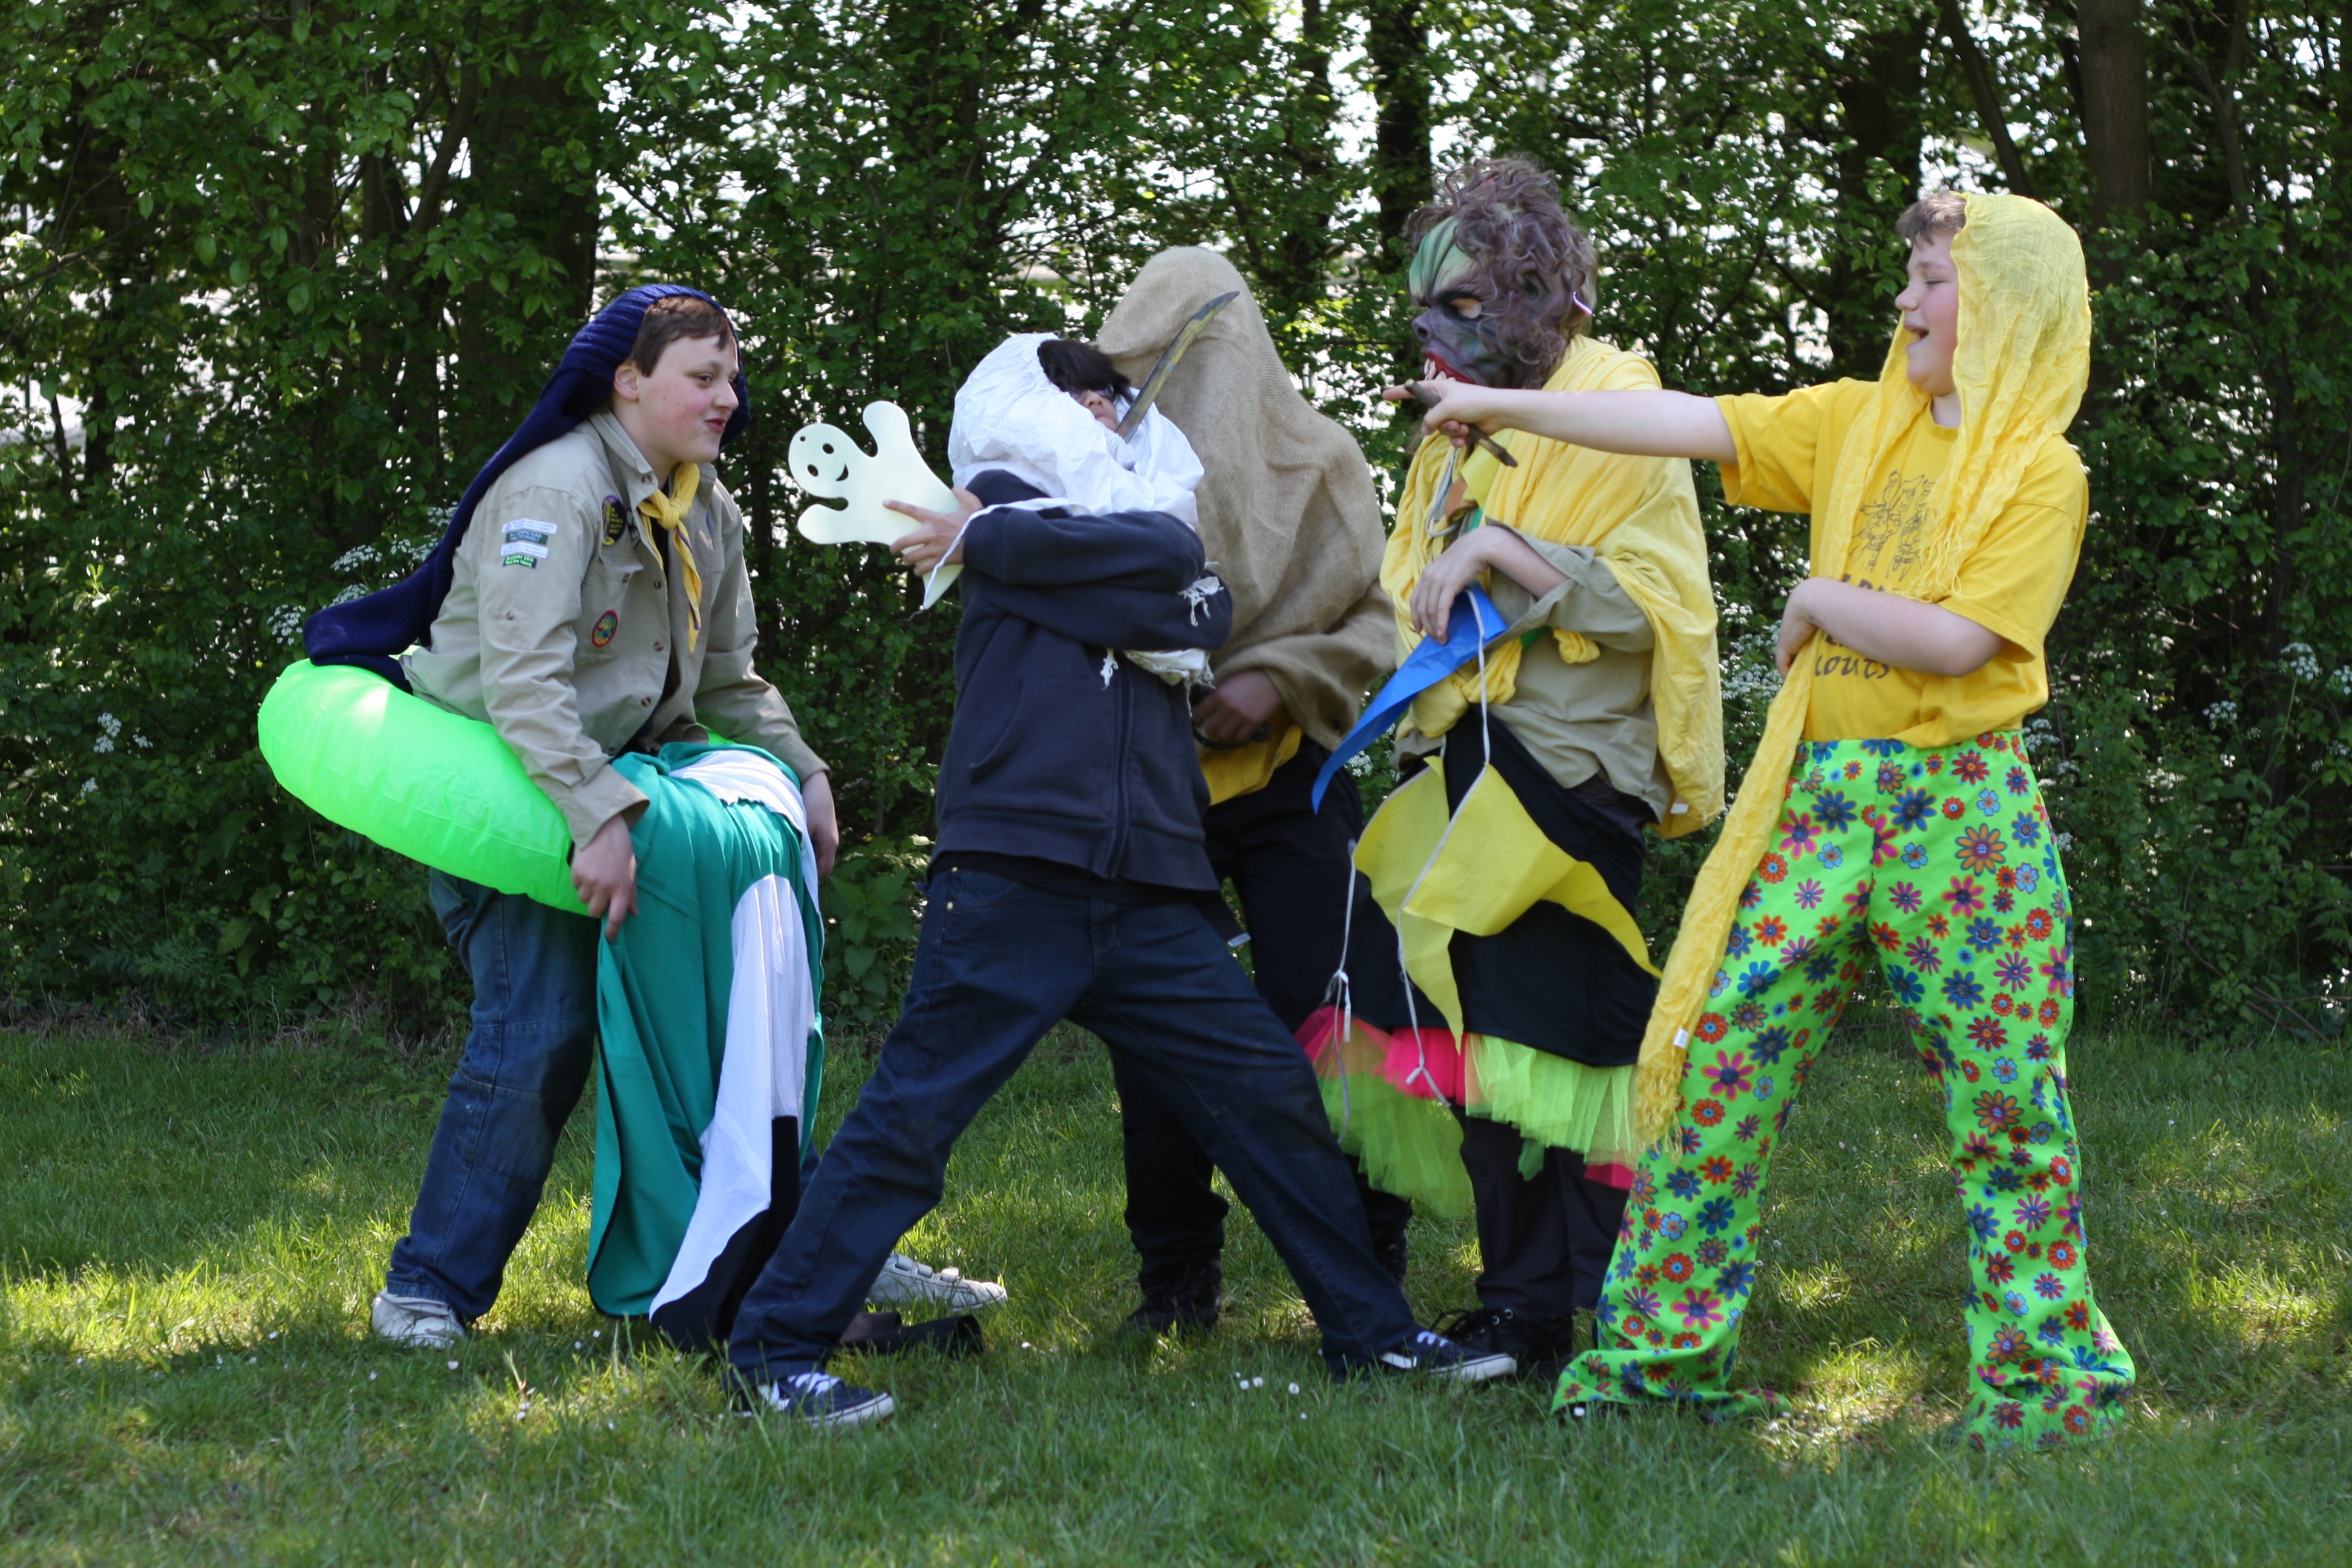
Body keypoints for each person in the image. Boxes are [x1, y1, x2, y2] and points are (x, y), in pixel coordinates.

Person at [1412, 191, 2137, 1448]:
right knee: (1716, 1072)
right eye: (1912, 277)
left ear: (2006, 307)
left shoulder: (2042, 469)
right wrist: (1504, 407)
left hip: (1964, 815)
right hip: (1825, 802)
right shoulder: (1856, 424)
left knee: (2010, 1104)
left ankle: (2046, 1379)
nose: (1906, 300)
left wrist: (1822, 601)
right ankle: (1658, 1361)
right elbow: (1682, 423)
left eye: (1933, 280)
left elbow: (1963, 642)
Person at [723, 333, 1507, 1427]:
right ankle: (773, 1350)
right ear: (1049, 408)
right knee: (912, 1122)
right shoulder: (1003, 495)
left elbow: (1203, 603)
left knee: (1268, 1098)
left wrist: (1012, 554)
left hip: (1152, 887)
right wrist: (1023, 547)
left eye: (1121, 404)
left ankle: (1371, 1335)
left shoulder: (1024, 531)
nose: (1116, 422)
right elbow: (1165, 581)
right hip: (1015, 871)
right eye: (1096, 401)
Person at [307, 288, 987, 1348]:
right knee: (539, 1030)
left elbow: (729, 679)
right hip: (519, 791)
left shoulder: (704, 506)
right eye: (702, 377)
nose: (728, 398)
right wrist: (595, 818)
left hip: (641, 794)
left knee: (748, 1026)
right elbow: (525, 688)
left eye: (732, 377)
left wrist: (806, 774)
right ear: (627, 380)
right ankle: (428, 1288)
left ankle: (806, 1251)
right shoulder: (555, 490)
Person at [1316, 158, 1723, 1382]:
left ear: (1548, 301)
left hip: (1570, 779)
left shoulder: (1622, 407)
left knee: (1570, 1050)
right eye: (1425, 307)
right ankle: (1521, 1303)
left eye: (1467, 305)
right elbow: (1410, 584)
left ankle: (1610, 1305)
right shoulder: (1456, 436)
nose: (1435, 332)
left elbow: (1655, 604)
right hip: (1463, 771)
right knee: (1481, 1048)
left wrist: (1505, 550)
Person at [1089, 248, 1412, 1334]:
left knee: (1344, 1014)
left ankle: (1373, 1255)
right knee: (1158, 1039)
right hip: (1150, 787)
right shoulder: (1089, 455)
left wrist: (1277, 678)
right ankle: (1176, 1277)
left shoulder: (1323, 459)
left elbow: (1377, 616)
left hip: (1289, 782)